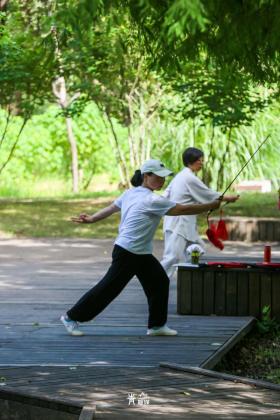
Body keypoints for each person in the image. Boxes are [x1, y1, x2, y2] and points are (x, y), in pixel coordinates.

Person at [60, 159, 220, 337]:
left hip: (139, 251)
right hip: (128, 251)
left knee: (159, 282)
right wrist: (210, 206)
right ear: (146, 176)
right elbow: (181, 209)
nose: (162, 181)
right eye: (159, 177)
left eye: (164, 178)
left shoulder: (131, 193)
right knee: (108, 289)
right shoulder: (151, 200)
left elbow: (112, 207)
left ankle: (157, 326)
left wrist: (92, 219)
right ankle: (70, 317)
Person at [161, 147, 239, 279]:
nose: (202, 163)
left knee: (196, 249)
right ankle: (157, 281)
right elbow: (207, 194)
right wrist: (227, 198)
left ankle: (189, 279)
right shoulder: (188, 177)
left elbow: (165, 195)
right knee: (172, 257)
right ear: (192, 161)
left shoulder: (180, 176)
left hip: (183, 224)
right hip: (178, 224)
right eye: (200, 161)